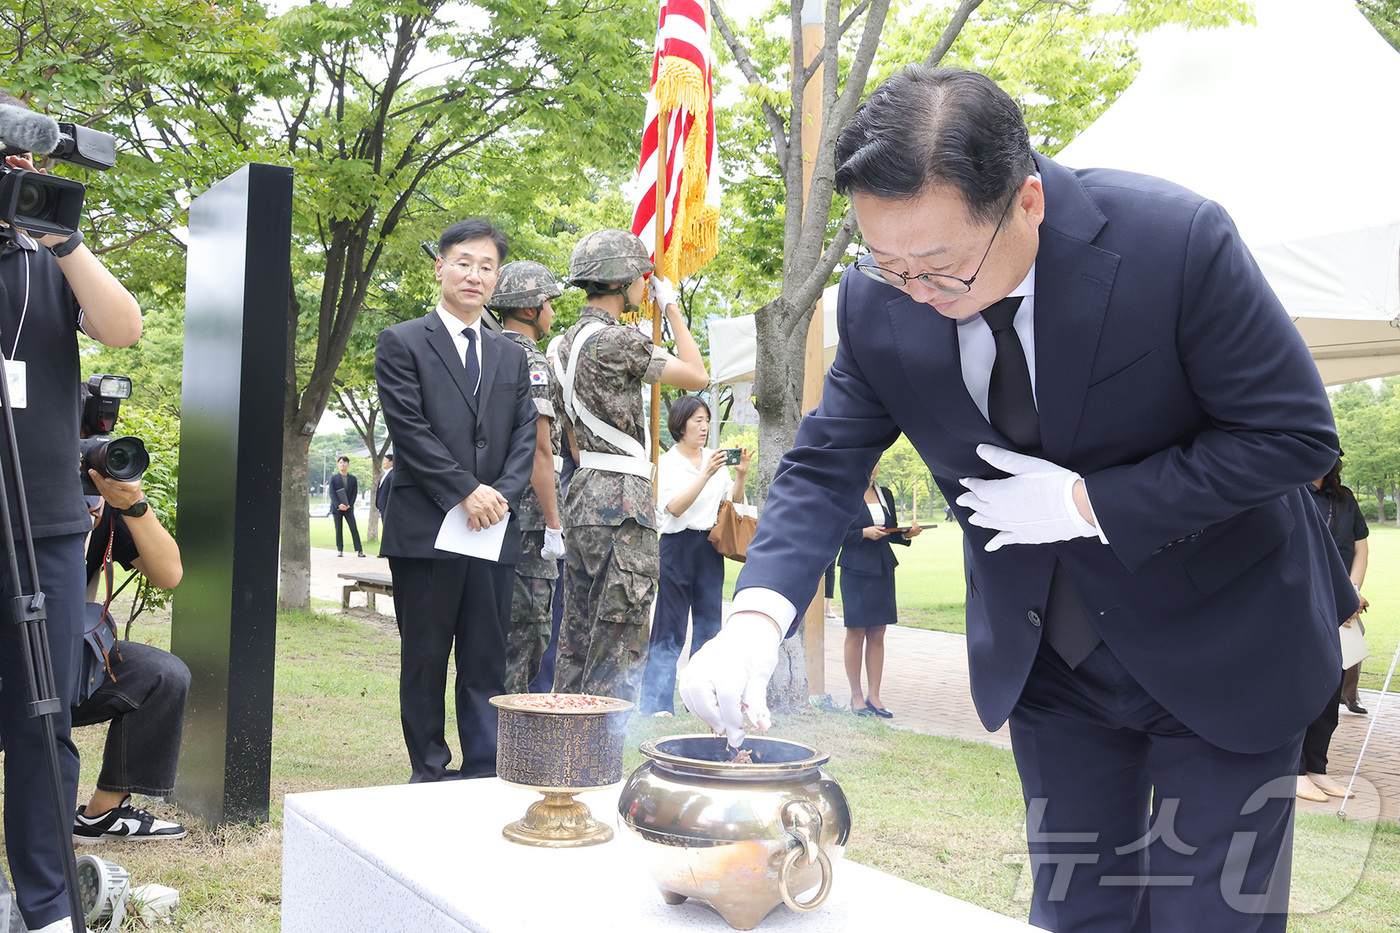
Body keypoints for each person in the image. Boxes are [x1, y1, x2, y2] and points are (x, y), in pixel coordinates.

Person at [679, 66, 1355, 933]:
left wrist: (1088, 503)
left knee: (1208, 918)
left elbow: (1294, 436)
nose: (917, 293)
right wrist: (756, 618)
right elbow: (824, 463)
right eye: (888, 264)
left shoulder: (1174, 242)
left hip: (1223, 638)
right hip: (1052, 662)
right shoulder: (879, 301)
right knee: (1078, 910)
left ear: (1027, 201)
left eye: (940, 268)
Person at [0, 90, 143, 933]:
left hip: (45, 522)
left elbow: (122, 326)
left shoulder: (44, 256)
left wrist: (62, 237)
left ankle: (49, 906)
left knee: (41, 717)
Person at [374, 218, 537, 782]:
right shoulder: (401, 342)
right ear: (440, 267)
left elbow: (524, 436)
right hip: (427, 527)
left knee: (487, 658)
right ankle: (429, 768)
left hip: (493, 528)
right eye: (464, 263)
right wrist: (465, 491)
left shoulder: (511, 355)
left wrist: (499, 498)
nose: (475, 275)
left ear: (497, 278)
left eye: (487, 267)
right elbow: (410, 429)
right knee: (424, 659)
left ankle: (484, 768)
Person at [549, 229, 708, 704]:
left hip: (581, 493)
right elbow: (696, 374)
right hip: (622, 501)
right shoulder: (618, 341)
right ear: (623, 283)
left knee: (576, 635)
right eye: (642, 278)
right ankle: (598, 753)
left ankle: (563, 745)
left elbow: (572, 439)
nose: (646, 285)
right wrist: (673, 306)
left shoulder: (559, 346)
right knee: (618, 637)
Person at [71, 467, 188, 843]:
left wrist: (132, 504)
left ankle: (103, 813)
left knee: (162, 675)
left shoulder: (98, 504)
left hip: (66, 662)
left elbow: (169, 574)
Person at [637, 396, 749, 716]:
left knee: (709, 626)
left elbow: (731, 505)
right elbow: (673, 507)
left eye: (706, 420)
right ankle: (657, 703)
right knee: (670, 626)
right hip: (676, 546)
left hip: (710, 548)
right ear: (680, 425)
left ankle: (699, 702)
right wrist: (705, 474)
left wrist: (739, 475)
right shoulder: (666, 463)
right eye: (697, 420)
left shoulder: (714, 459)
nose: (703, 427)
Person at [487, 260, 567, 693]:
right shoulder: (530, 359)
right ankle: (509, 746)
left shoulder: (484, 349)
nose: (553, 311)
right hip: (529, 517)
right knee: (527, 632)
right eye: (549, 303)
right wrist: (554, 523)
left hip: (489, 507)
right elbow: (541, 447)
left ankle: (490, 741)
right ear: (531, 308)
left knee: (493, 629)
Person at [1297, 458, 1369, 801]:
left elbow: (1360, 549)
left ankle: (1316, 769)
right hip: (1299, 607)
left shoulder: (1344, 498)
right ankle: (1293, 772)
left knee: (1331, 690)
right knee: (1298, 690)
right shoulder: (1286, 494)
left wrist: (1351, 593)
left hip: (1341, 608)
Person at [839, 462, 920, 718]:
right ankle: (856, 696)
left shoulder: (885, 493)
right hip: (855, 569)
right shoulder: (844, 492)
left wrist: (907, 534)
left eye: (875, 462)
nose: (871, 467)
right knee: (856, 632)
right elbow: (834, 533)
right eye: (867, 461)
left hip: (883, 566)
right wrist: (862, 533)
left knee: (878, 632)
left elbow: (890, 531)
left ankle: (875, 696)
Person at [328, 456, 365, 557]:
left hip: (348, 508)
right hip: (337, 508)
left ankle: (359, 550)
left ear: (348, 464)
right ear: (338, 464)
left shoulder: (352, 479)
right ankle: (340, 550)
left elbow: (354, 493)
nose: (342, 464)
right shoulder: (333, 478)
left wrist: (349, 505)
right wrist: (339, 505)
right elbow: (332, 493)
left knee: (353, 528)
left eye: (344, 463)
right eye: (340, 463)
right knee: (338, 529)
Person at [376, 453, 394, 519]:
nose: (383, 462)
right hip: (382, 505)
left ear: (391, 462)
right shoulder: (386, 474)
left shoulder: (392, 475)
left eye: (385, 460)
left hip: (387, 506)